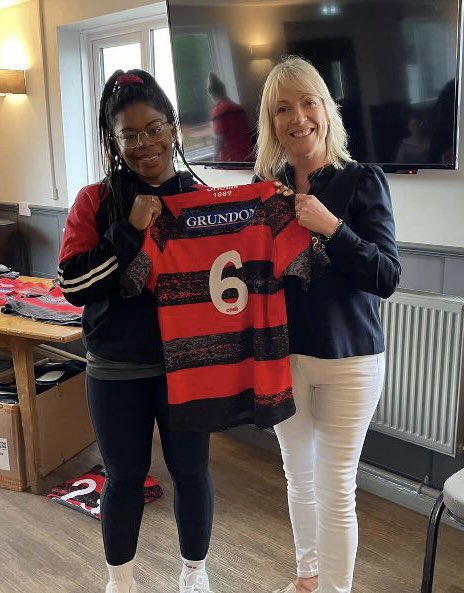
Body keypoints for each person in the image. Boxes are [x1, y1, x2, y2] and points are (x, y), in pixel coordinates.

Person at [57, 69, 215, 593]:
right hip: (117, 369)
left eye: (153, 129)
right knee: (123, 478)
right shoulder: (94, 201)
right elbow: (75, 285)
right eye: (129, 134)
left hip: (187, 369)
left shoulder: (203, 199)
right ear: (113, 140)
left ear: (173, 128)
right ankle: (119, 582)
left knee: (192, 474)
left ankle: (195, 574)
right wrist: (129, 230)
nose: (144, 144)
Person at [253, 56, 401, 593]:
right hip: (284, 358)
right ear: (271, 123)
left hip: (352, 360)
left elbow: (387, 275)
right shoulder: (263, 190)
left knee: (336, 486)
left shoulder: (363, 181)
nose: (298, 118)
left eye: (307, 102)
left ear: (326, 108)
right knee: (298, 479)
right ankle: (307, 580)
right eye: (282, 109)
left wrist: (333, 229)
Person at [207, 71, 254, 162]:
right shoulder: (239, 108)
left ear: (212, 95)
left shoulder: (218, 112)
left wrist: (215, 159)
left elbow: (218, 139)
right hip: (248, 154)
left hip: (232, 159)